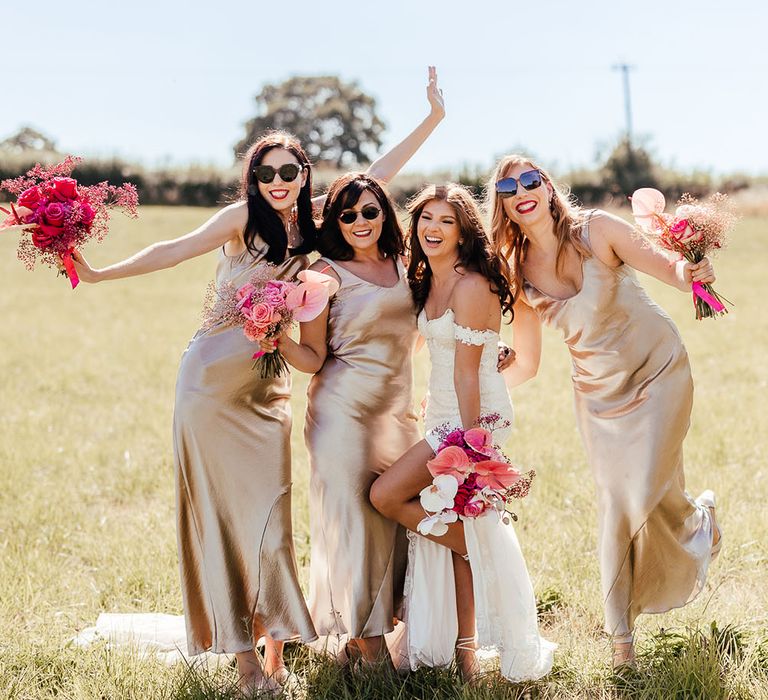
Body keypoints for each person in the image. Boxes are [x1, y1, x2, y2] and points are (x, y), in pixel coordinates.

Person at [66, 67, 445, 692]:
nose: (277, 183)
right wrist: (101, 273)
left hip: (269, 390)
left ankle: (274, 648)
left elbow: (376, 178)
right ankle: (247, 666)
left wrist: (431, 117)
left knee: (270, 521)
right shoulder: (241, 220)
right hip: (211, 385)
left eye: (288, 172)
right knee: (224, 517)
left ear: (304, 177)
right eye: (265, 173)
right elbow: (173, 249)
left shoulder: (321, 222)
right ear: (253, 179)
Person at [487, 155, 722, 668]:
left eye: (531, 179)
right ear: (503, 203)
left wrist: (693, 268)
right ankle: (622, 645)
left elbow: (672, 271)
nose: (522, 190)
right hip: (598, 397)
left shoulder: (599, 230)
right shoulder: (516, 272)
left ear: (547, 188)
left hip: (658, 370)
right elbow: (526, 363)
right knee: (617, 506)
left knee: (644, 490)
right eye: (508, 186)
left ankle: (701, 523)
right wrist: (475, 382)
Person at [369, 183, 554, 683]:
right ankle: (467, 655)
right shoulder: (427, 279)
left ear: (463, 230)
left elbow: (469, 371)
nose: (433, 228)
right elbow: (437, 354)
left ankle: (470, 543)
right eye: (426, 218)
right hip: (445, 413)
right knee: (454, 530)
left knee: (387, 495)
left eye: (446, 220)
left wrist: (472, 446)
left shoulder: (473, 284)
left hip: (472, 419)